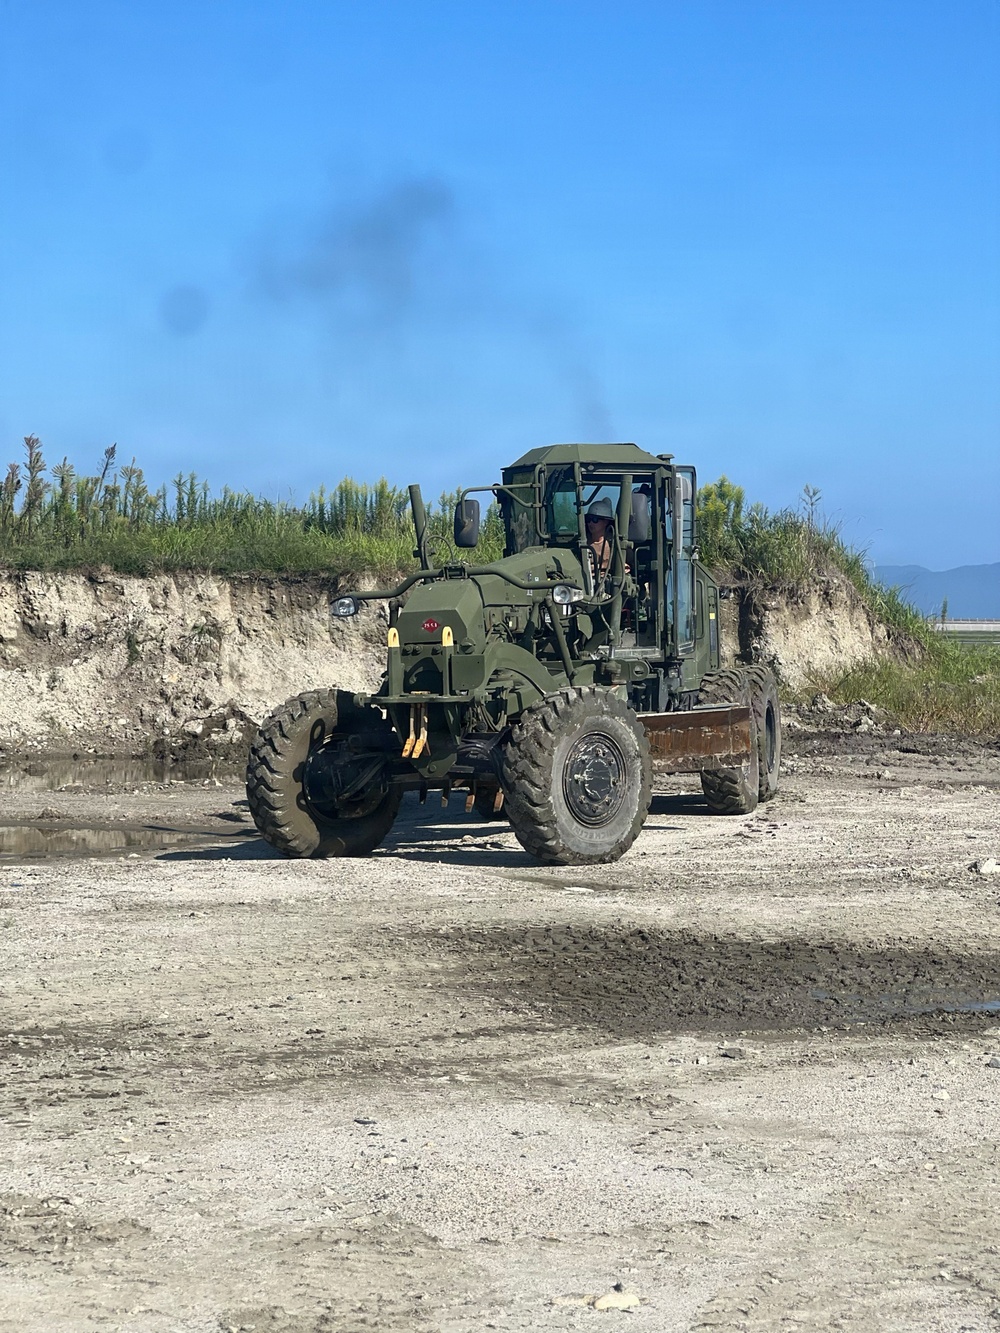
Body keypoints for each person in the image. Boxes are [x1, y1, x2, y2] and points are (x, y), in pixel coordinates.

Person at [584, 498, 616, 583]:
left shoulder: (614, 544)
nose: (590, 523)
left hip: (608, 583)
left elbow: (627, 564)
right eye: (588, 519)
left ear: (605, 522)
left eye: (595, 519)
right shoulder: (583, 542)